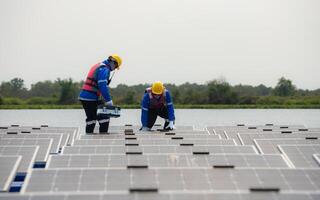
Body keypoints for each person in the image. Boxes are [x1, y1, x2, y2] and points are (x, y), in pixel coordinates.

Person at [79, 54, 122, 134]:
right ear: (113, 63)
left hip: (86, 97)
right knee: (104, 117)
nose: (114, 69)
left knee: (91, 119)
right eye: (116, 67)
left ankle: (89, 137)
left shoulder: (98, 65)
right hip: (91, 98)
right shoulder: (104, 69)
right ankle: (103, 136)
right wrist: (109, 101)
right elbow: (102, 86)